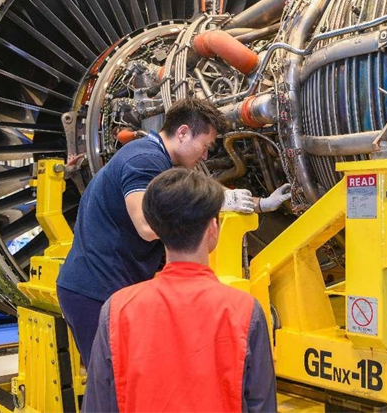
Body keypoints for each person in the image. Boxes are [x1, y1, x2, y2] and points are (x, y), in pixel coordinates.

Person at [57, 98, 291, 365]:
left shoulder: (160, 161)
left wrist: (261, 203)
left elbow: (195, 189)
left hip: (112, 287)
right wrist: (218, 204)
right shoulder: (144, 160)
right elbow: (146, 226)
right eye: (205, 146)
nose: (205, 155)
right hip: (95, 292)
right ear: (182, 133)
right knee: (114, 383)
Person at [83, 168, 277, 413]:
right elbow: (261, 406)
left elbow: (99, 406)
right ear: (212, 230)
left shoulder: (117, 310)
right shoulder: (246, 312)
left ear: (157, 229)